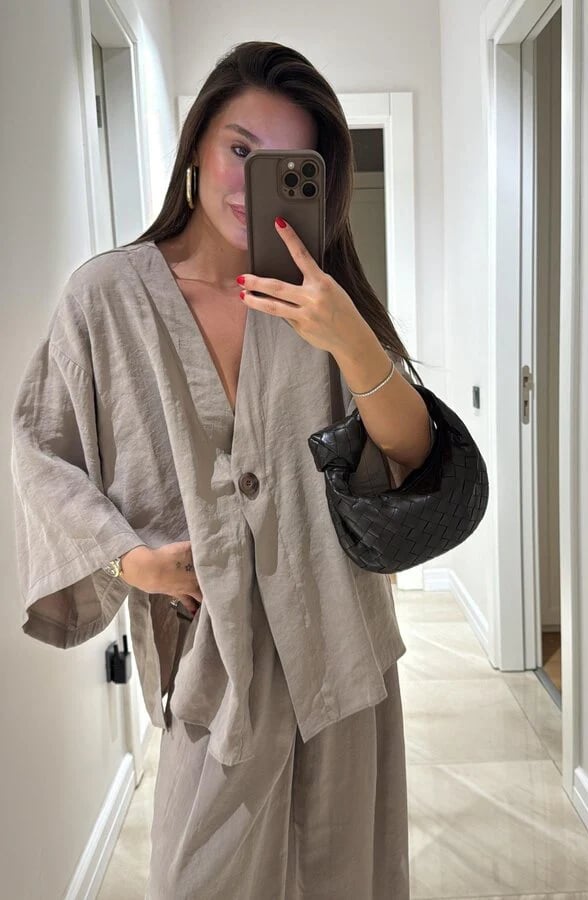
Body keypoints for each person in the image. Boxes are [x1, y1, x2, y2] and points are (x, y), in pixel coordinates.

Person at [11, 40, 434, 899]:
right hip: (212, 668)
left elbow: (411, 453)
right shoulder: (107, 297)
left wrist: (349, 338)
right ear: (197, 145)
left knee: (347, 879)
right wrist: (132, 562)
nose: (252, 180)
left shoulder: (319, 296)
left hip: (343, 655)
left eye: (286, 162)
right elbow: (40, 449)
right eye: (241, 148)